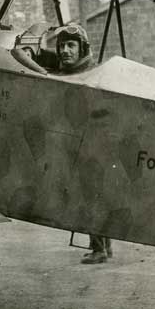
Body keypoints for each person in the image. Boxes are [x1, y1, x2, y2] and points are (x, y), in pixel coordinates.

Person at [48, 26, 113, 264]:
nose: (65, 51)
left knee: (89, 198)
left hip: (92, 147)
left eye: (71, 46)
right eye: (62, 46)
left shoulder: (86, 75)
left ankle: (99, 250)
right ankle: (104, 245)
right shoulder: (87, 71)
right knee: (96, 197)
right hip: (92, 145)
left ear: (82, 49)